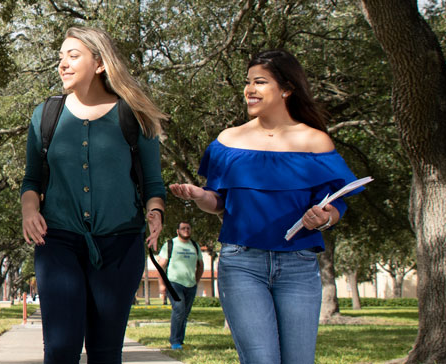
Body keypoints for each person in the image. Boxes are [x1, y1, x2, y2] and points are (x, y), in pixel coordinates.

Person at [168, 49, 362, 364]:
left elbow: (337, 205)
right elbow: (219, 203)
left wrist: (325, 217)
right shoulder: (228, 141)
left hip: (299, 267)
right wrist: (198, 195)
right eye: (248, 82)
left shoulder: (316, 142)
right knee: (261, 359)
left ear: (286, 89)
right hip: (242, 264)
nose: (249, 89)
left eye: (260, 82)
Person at [20, 26, 167, 363]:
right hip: (57, 241)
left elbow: (153, 186)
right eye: (60, 57)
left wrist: (156, 212)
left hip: (120, 244)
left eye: (73, 56)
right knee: (60, 348)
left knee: (105, 350)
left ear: (99, 64)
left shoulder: (133, 115)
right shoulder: (46, 115)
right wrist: (30, 211)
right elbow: (32, 180)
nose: (62, 64)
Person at [156, 221, 204, 350]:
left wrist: (196, 280)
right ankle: (175, 341)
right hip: (174, 283)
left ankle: (180, 341)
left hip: (190, 284)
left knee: (185, 313)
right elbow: (161, 266)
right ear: (178, 231)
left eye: (188, 228)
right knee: (179, 310)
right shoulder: (170, 244)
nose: (186, 230)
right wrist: (161, 285)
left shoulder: (194, 245)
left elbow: (200, 265)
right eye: (183, 228)